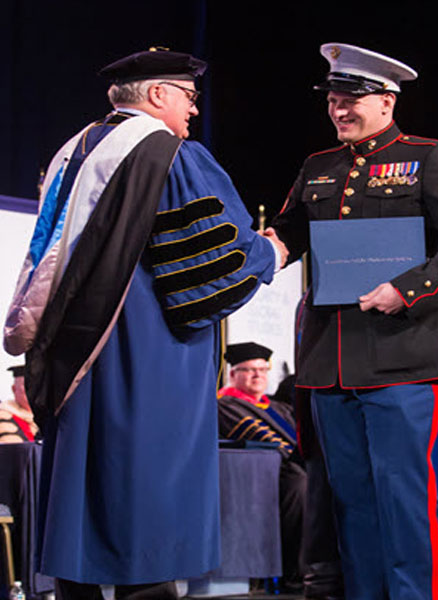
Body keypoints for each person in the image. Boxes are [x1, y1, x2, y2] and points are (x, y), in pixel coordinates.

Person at [3, 48, 286, 600]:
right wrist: (269, 252)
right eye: (188, 97)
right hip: (149, 348)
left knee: (84, 480)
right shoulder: (170, 155)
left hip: (75, 354)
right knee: (148, 478)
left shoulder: (75, 152)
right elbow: (212, 261)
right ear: (158, 94)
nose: (193, 111)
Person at [266, 43, 438, 600]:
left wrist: (407, 290)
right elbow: (287, 236)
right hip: (330, 364)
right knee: (352, 504)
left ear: (387, 101)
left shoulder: (431, 157)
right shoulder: (316, 167)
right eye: (333, 100)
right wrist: (252, 257)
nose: (339, 110)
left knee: (402, 500)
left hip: (401, 357)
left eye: (352, 100)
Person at [218, 342, 304, 591]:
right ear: (233, 374)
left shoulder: (279, 407)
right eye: (250, 370)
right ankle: (293, 574)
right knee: (300, 484)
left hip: (288, 466)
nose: (258, 375)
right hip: (260, 472)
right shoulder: (225, 405)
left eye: (263, 370)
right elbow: (259, 439)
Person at [0, 365, 39, 443]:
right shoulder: (4, 417)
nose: (31, 392)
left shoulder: (47, 417)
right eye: (26, 388)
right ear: (14, 389)